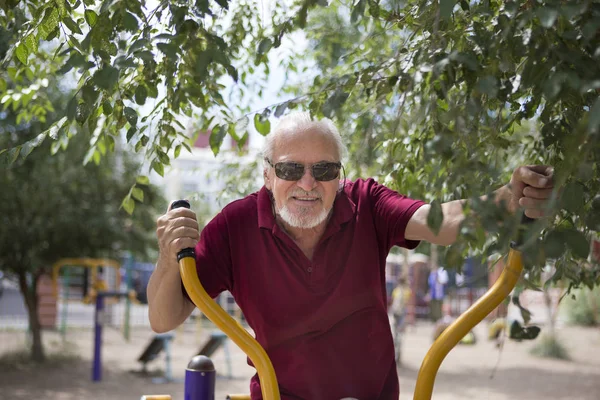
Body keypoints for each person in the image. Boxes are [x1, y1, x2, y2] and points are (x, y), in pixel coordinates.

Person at [148, 112, 554, 400]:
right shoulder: (235, 226)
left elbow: (443, 221)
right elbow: (163, 318)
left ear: (339, 177)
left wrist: (506, 197)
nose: (308, 183)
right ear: (268, 175)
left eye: (324, 170)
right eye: (291, 170)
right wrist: (169, 258)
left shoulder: (367, 204)